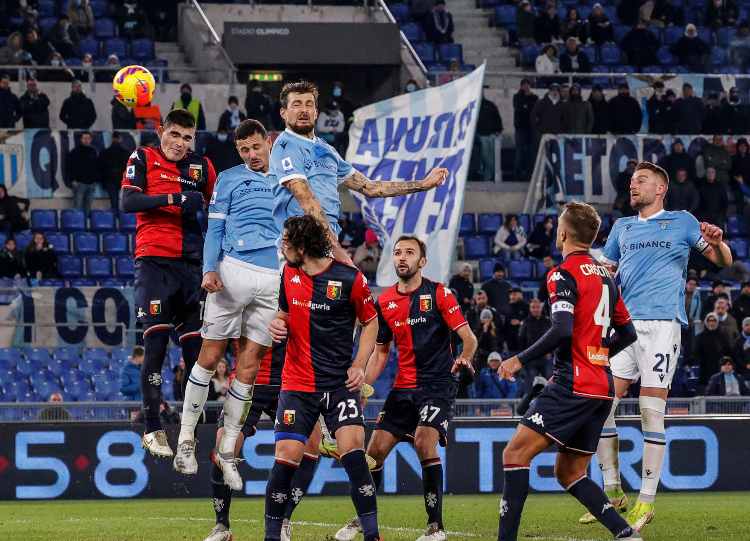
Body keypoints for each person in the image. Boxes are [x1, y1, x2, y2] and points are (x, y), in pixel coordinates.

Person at [591, 161, 731, 531]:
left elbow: (722, 261)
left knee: (650, 412)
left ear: (661, 189)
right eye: (632, 181)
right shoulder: (621, 228)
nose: (633, 186)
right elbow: (605, 274)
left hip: (662, 327)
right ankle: (613, 490)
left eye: (642, 181)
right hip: (623, 329)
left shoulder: (683, 221)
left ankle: (646, 502)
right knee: (601, 406)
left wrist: (717, 244)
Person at [497, 201, 639, 541]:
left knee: (514, 454)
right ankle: (625, 533)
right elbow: (629, 333)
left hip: (573, 382)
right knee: (570, 472)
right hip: (602, 386)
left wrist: (519, 359)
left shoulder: (563, 273)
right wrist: (599, 356)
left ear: (562, 233)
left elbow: (562, 329)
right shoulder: (607, 276)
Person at [334, 235, 476, 541]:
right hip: (403, 387)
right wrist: (362, 387)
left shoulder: (440, 294)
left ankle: (435, 527)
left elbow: (470, 339)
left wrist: (464, 358)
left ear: (422, 262)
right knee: (373, 454)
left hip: (437, 384)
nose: (402, 257)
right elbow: (381, 352)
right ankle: (363, 518)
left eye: (409, 253)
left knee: (425, 442)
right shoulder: (384, 301)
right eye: (397, 252)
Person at [264, 215, 381, 541]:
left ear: (302, 247)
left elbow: (371, 322)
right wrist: (278, 323)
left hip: (339, 385)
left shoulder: (349, 278)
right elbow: (283, 311)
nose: (282, 245)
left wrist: (359, 364)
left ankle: (373, 535)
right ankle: (272, 535)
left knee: (353, 453)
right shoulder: (288, 272)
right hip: (297, 384)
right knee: (286, 456)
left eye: (286, 241)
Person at [120, 109, 217, 458]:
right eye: (174, 135)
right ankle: (152, 427)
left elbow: (222, 206)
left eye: (187, 138)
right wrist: (174, 199)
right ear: (161, 131)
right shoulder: (143, 156)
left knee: (197, 354)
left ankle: (189, 429)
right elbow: (128, 201)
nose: (179, 143)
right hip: (154, 264)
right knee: (157, 346)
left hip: (192, 268)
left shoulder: (202, 167)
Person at [270, 80, 446, 266]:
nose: (304, 110)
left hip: (323, 248)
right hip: (299, 250)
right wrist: (335, 247)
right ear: (283, 112)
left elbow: (370, 187)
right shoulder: (285, 146)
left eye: (309, 104)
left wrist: (423, 184)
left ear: (316, 112)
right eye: (296, 105)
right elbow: (304, 197)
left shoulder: (327, 150)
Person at [202, 341, 298, 541]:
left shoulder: (289, 308)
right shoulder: (236, 308)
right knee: (223, 449)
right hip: (246, 385)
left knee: (302, 450)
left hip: (288, 384)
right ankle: (222, 526)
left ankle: (284, 521)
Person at [518, 298, 551, 392]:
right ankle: (530, 405)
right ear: (530, 308)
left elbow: (554, 338)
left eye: (537, 307)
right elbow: (521, 340)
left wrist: (551, 352)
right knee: (530, 385)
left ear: (541, 308)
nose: (536, 309)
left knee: (551, 383)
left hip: (546, 357)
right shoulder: (525, 322)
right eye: (533, 307)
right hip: (531, 358)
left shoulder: (547, 321)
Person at [694, 312, 733, 384]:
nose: (712, 323)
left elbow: (728, 351)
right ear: (706, 322)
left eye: (714, 320)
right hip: (705, 368)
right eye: (709, 321)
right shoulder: (700, 337)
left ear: (717, 322)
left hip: (719, 367)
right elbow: (696, 353)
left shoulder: (723, 336)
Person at [67, 131, 99, 214]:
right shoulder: (75, 151)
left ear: (91, 140)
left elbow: (96, 166)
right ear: (81, 139)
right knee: (77, 206)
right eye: (84, 138)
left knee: (88, 206)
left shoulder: (93, 151)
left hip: (91, 183)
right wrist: (73, 180)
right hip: (79, 183)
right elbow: (69, 167)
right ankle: (78, 224)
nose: (86, 140)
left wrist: (95, 180)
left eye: (88, 138)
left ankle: (86, 225)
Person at [512, 78, 538, 182]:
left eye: (528, 85)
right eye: (524, 85)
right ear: (521, 86)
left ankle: (529, 174)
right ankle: (517, 175)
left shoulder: (534, 97)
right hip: (520, 128)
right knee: (520, 152)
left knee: (530, 152)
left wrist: (526, 107)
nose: (526, 87)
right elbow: (519, 108)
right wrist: (526, 107)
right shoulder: (516, 97)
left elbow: (535, 110)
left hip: (531, 128)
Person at [475, 90, 503, 182]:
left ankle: (488, 177)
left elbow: (497, 118)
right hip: (482, 135)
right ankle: (491, 175)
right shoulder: (475, 106)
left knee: (491, 157)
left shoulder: (490, 105)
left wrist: (499, 130)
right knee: (487, 157)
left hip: (491, 135)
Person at [99, 132, 130, 211]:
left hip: (109, 180)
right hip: (122, 180)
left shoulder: (105, 152)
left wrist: (103, 181)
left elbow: (101, 167)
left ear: (112, 139)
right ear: (120, 139)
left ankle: (114, 219)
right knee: (123, 201)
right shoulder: (126, 153)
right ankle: (122, 220)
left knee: (114, 201)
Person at [504, 288, 529, 352]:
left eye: (514, 294)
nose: (512, 296)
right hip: (510, 340)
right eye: (511, 295)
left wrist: (520, 322)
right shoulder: (507, 307)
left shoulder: (527, 306)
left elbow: (530, 320)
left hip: (524, 340)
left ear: (520, 295)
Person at [731, 137, 750, 215]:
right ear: (738, 147)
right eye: (741, 146)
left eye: (744, 146)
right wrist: (737, 179)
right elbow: (731, 173)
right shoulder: (734, 158)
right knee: (740, 206)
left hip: (748, 185)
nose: (743, 148)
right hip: (738, 186)